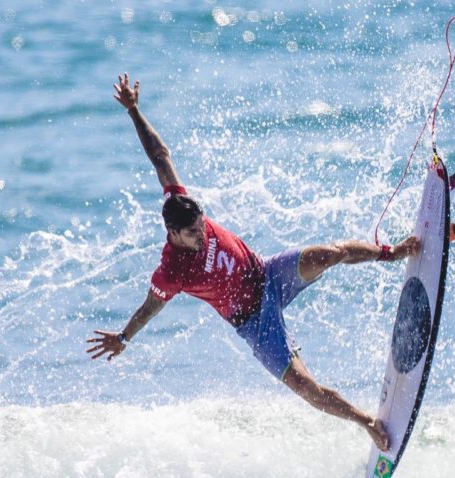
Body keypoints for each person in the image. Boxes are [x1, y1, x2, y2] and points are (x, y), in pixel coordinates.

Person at [87, 73, 420, 451]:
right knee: (303, 386)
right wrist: (124, 337)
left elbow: (160, 156)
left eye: (202, 225)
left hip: (268, 272)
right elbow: (150, 308)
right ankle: (366, 422)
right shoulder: (171, 271)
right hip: (252, 321)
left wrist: (134, 110)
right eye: (193, 233)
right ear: (174, 235)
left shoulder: (180, 200)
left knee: (331, 254)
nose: (201, 233)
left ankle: (395, 253)